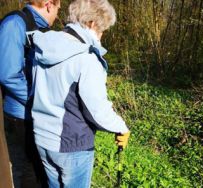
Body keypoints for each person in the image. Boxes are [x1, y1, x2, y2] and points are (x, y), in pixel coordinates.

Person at [30, 0, 130, 187]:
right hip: (71, 145)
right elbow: (97, 110)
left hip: (42, 137)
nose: (102, 36)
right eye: (103, 30)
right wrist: (120, 127)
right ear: (92, 23)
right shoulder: (86, 58)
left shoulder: (44, 45)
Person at [0, 0, 61, 187]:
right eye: (58, 9)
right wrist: (38, 99)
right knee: (29, 172)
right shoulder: (14, 24)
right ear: (49, 4)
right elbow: (8, 74)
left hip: (33, 112)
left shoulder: (39, 28)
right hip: (20, 115)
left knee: (39, 170)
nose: (58, 15)